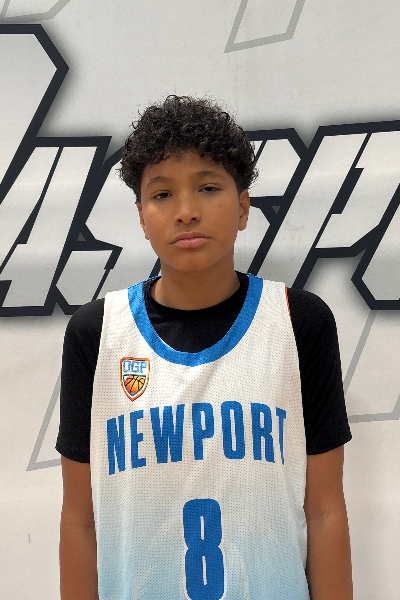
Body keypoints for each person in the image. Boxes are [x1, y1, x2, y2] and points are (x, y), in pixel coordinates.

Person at [57, 95, 353, 600]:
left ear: (243, 207)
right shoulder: (96, 332)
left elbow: (325, 510)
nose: (186, 212)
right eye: (162, 194)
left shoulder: (299, 322)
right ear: (141, 216)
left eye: (209, 187)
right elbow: (80, 520)